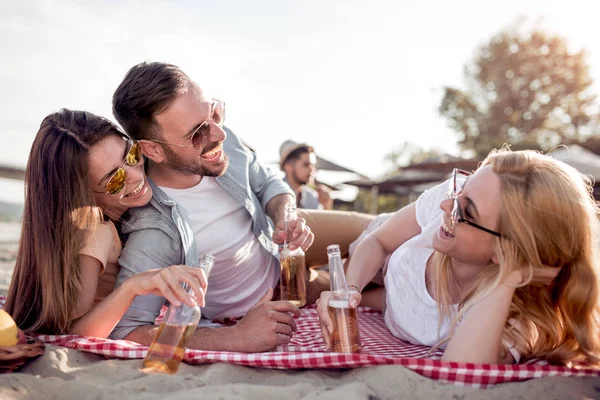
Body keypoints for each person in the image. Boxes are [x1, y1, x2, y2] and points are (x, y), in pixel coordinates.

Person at [109, 61, 325, 352]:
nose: (218, 134)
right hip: (263, 306)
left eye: (214, 113)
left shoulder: (224, 141)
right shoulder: (153, 228)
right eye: (197, 132)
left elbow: (267, 182)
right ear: (154, 150)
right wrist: (236, 337)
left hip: (287, 265)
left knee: (380, 233)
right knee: (375, 270)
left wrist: (285, 215)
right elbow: (127, 331)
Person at [317, 148, 600, 365]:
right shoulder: (444, 207)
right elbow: (377, 240)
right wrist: (348, 288)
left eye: (466, 212)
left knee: (303, 284)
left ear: (508, 252)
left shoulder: (515, 316)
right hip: (368, 236)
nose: (445, 204)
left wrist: (508, 277)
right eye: (460, 188)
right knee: (290, 231)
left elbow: (459, 368)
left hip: (384, 292)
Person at [4, 109, 207, 337]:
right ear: (84, 195)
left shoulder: (67, 227)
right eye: (115, 178)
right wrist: (132, 287)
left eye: (130, 154)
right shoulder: (95, 231)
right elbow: (75, 331)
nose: (136, 175)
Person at [279, 140, 333, 210]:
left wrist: (326, 205)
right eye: (306, 164)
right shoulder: (274, 194)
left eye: (313, 166)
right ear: (288, 166)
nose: (312, 170)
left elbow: (319, 221)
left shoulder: (312, 197)